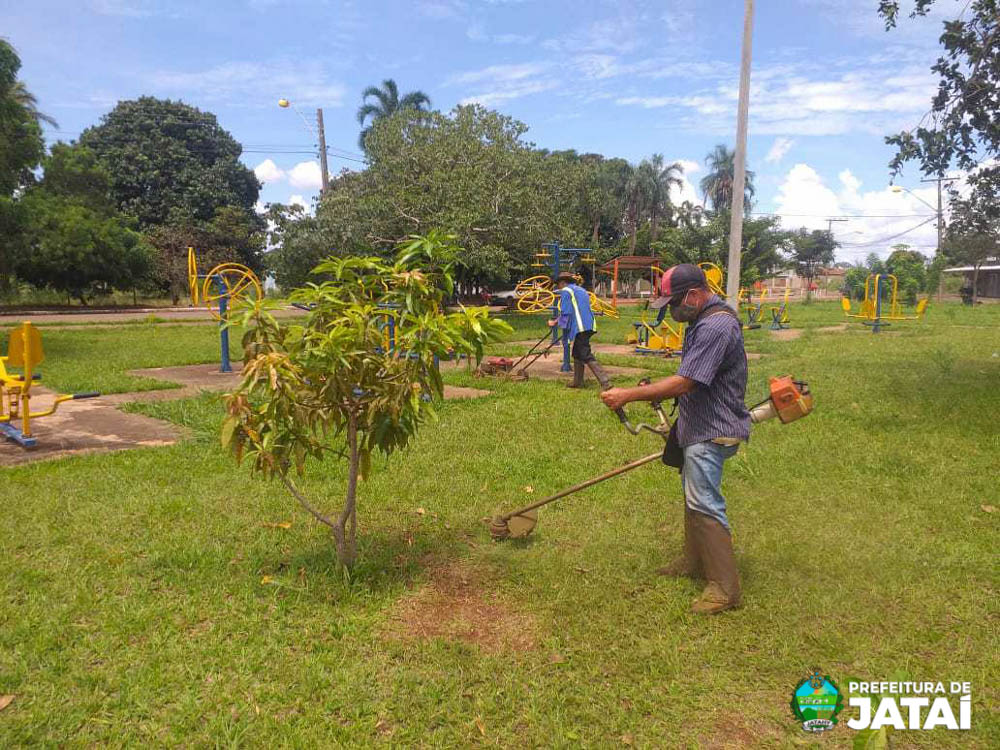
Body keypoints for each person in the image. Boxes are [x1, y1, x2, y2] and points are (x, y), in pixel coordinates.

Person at [600, 264, 750, 614]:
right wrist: (654, 391)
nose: (671, 311)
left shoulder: (716, 325)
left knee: (704, 502)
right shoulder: (702, 320)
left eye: (674, 303)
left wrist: (628, 396)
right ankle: (693, 561)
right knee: (693, 494)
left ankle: (725, 588)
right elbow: (691, 376)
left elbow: (687, 382)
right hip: (698, 423)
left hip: (713, 428)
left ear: (695, 295)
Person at [548, 271, 613, 390]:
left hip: (580, 326)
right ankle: (577, 381)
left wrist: (555, 323)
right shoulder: (581, 290)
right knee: (577, 353)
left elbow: (566, 312)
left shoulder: (566, 291)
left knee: (585, 353)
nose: (558, 287)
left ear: (563, 283)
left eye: (558, 284)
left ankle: (605, 382)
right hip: (589, 325)